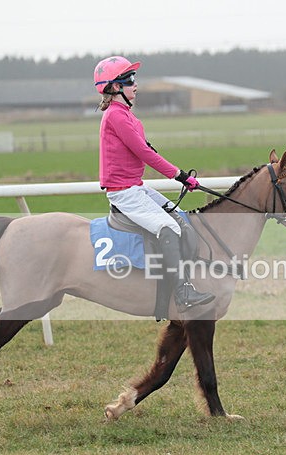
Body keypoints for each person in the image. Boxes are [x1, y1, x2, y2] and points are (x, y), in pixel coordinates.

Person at [94, 55, 214, 311]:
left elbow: (146, 151)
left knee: (181, 218)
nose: (135, 85)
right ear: (115, 87)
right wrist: (180, 175)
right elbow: (145, 154)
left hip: (137, 187)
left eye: (134, 79)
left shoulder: (127, 116)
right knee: (168, 228)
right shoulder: (116, 116)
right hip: (124, 193)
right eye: (129, 80)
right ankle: (182, 293)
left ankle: (188, 277)